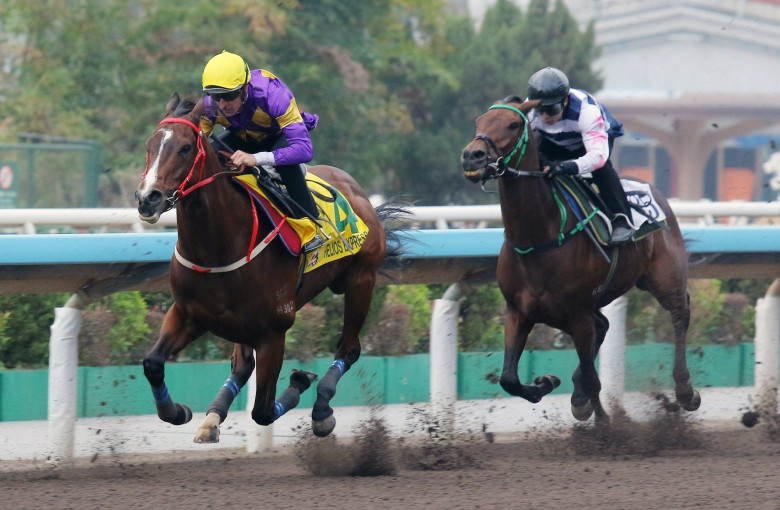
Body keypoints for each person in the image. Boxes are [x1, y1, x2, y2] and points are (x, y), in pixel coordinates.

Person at [200, 50, 323, 251]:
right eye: (215, 96)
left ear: (244, 88)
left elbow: (304, 150)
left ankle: (311, 227)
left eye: (228, 95)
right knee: (212, 158)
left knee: (287, 165)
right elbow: (195, 144)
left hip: (278, 137)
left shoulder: (273, 93)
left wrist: (256, 159)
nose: (222, 104)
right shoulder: (211, 106)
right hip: (244, 138)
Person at [526, 66, 634, 245]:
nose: (545, 116)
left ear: (565, 101)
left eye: (552, 109)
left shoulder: (587, 111)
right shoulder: (529, 110)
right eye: (540, 110)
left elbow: (597, 157)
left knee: (602, 169)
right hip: (554, 141)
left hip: (590, 144)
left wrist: (565, 167)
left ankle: (621, 218)